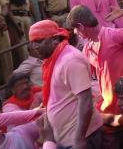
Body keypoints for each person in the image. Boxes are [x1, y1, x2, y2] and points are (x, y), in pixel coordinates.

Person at [68, 5, 123, 114]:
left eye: (75, 28)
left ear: (81, 26)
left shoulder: (114, 35)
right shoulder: (87, 49)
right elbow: (85, 77)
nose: (75, 32)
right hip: (109, 104)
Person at [29, 20, 103, 148]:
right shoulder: (53, 60)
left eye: (39, 41)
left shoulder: (70, 60)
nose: (35, 46)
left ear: (55, 39)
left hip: (82, 137)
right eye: (32, 42)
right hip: (67, 138)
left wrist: (79, 139)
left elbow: (85, 99)